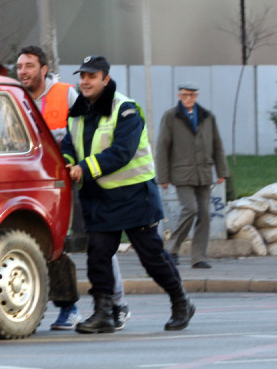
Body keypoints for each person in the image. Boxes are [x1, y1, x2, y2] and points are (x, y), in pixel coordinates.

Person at [59, 55, 195, 333]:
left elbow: (122, 152)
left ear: (105, 79)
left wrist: (84, 168)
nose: (85, 81)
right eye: (82, 76)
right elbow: (69, 141)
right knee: (98, 255)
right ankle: (104, 313)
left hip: (135, 197)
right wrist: (68, 159)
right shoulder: (78, 108)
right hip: (99, 197)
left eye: (91, 76)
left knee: (151, 257)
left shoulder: (126, 110)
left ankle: (181, 302)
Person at [15, 46, 130, 331]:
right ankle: (69, 308)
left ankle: (117, 304)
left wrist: (75, 163)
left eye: (29, 66)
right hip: (37, 184)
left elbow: (85, 129)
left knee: (97, 241)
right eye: (19, 67)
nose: (23, 72)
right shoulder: (15, 100)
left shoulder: (66, 94)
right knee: (51, 245)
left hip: (75, 180)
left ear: (44, 69)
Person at [155, 82, 229, 269]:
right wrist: (162, 177)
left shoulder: (207, 116)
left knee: (204, 214)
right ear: (179, 96)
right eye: (185, 95)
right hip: (181, 173)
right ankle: (172, 248)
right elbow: (162, 147)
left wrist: (222, 171)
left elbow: (217, 144)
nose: (188, 98)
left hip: (203, 172)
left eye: (192, 95)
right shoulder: (171, 116)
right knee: (190, 209)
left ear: (197, 96)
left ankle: (199, 257)